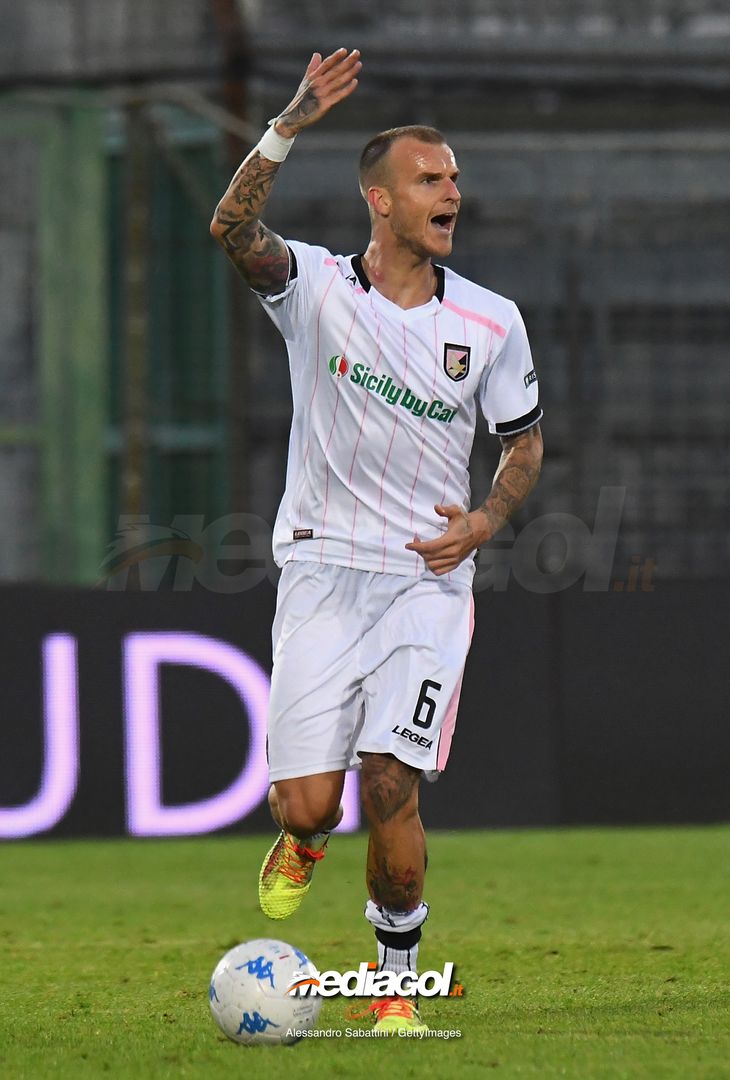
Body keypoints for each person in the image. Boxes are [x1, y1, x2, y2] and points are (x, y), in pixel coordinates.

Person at [210, 47, 543, 1034]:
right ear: (379, 201)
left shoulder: (490, 323)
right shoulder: (312, 287)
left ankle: (394, 988)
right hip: (318, 571)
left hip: (423, 583)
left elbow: (523, 445)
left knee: (392, 779)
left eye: (454, 179)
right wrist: (288, 123)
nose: (451, 192)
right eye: (429, 179)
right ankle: (303, 840)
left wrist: (484, 520)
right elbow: (230, 226)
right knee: (308, 804)